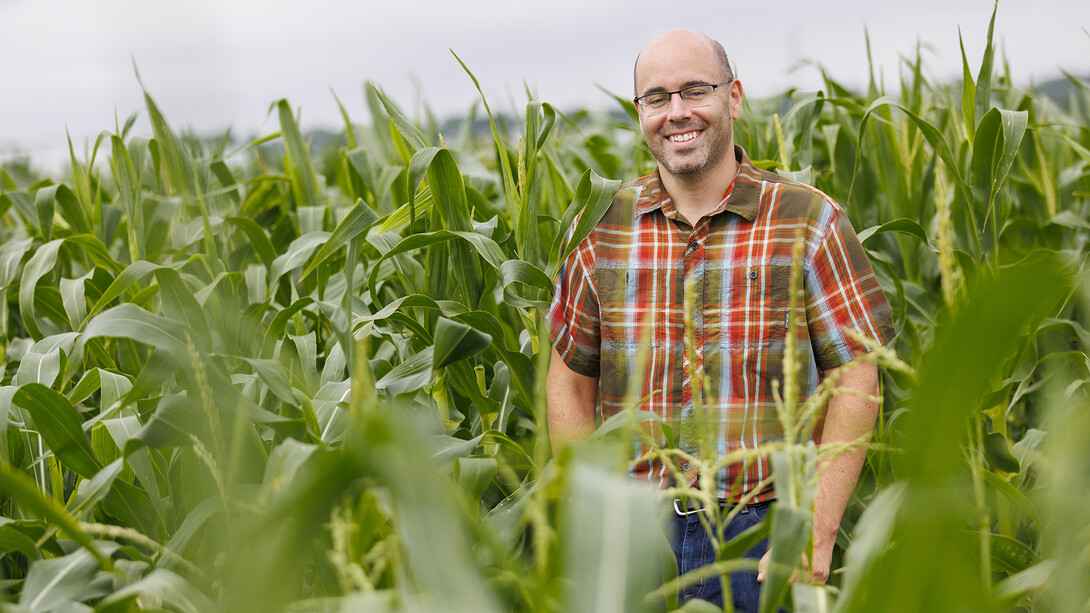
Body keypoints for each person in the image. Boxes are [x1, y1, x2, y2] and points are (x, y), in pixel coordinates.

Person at [545, 29, 895, 610]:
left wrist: (815, 528)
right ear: (639, 113)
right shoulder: (602, 226)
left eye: (694, 91)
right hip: (635, 535)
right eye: (656, 98)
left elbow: (856, 379)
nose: (677, 112)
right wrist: (592, 521)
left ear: (733, 97)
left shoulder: (807, 221)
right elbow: (569, 383)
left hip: (760, 538)